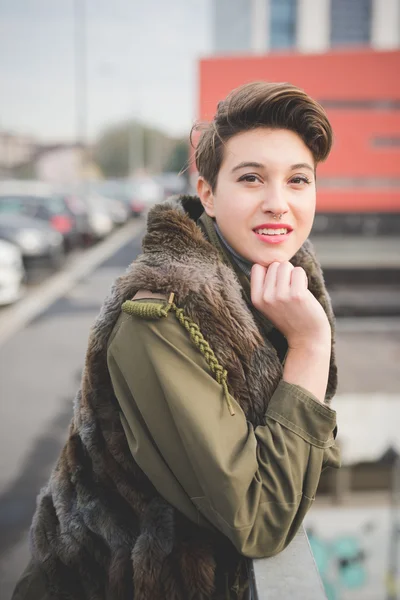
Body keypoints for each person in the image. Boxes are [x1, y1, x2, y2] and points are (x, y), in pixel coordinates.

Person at [13, 81, 340, 600]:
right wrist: (310, 346)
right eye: (251, 178)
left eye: (298, 180)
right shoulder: (162, 316)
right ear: (208, 194)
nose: (279, 203)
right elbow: (259, 519)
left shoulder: (268, 289)